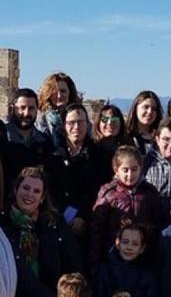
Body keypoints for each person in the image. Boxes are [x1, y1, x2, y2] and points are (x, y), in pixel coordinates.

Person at [4, 164, 78, 297]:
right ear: (15, 189)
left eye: (36, 191)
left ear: (42, 197)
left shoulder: (54, 223)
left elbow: (73, 259)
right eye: (25, 188)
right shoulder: (2, 223)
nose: (30, 194)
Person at [89, 145, 163, 267]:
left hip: (143, 258)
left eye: (134, 169)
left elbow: (158, 224)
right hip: (113, 257)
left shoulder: (149, 192)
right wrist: (95, 262)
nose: (130, 174)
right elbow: (97, 230)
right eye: (125, 170)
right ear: (116, 169)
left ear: (141, 168)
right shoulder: (109, 193)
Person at [46, 103, 107, 250]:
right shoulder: (53, 153)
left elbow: (100, 191)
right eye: (71, 123)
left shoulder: (99, 154)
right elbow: (50, 188)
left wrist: (83, 217)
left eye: (81, 122)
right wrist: (63, 215)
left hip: (89, 224)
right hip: (58, 221)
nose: (76, 127)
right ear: (64, 125)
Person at [93, 221, 159, 297]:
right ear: (117, 243)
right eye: (125, 242)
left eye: (135, 244)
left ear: (142, 248)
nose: (129, 247)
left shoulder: (147, 274)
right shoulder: (105, 270)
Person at [2, 89, 51, 188]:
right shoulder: (1, 138)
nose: (26, 113)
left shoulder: (45, 142)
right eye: (22, 108)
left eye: (31, 108)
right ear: (13, 109)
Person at [34, 72, 81, 152]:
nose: (59, 96)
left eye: (63, 91)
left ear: (70, 92)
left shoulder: (80, 116)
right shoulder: (40, 119)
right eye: (54, 92)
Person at [125, 90, 164, 162]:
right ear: (136, 108)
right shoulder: (125, 136)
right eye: (146, 107)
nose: (149, 112)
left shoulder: (161, 137)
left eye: (154, 109)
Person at [93, 101, 129, 165]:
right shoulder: (90, 148)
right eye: (104, 119)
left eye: (114, 119)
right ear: (98, 123)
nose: (109, 123)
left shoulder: (129, 150)